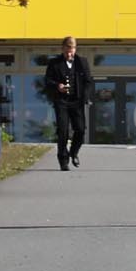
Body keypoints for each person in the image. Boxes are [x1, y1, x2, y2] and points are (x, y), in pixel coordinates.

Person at [40, 33, 94, 170]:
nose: (71, 51)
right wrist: (57, 86)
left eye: (73, 48)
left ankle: (74, 152)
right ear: (63, 48)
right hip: (61, 102)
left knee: (80, 130)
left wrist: (85, 98)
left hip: (77, 101)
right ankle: (63, 160)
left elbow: (88, 82)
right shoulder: (54, 63)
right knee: (63, 131)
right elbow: (47, 81)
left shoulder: (82, 62)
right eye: (68, 48)